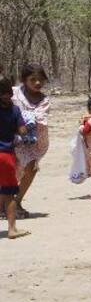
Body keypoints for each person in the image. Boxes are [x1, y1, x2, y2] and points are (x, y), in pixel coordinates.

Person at [12, 64, 50, 219]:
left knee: (31, 169)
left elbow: (38, 118)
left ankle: (16, 201)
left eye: (40, 80)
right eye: (32, 80)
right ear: (24, 80)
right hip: (12, 138)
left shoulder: (44, 100)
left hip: (33, 141)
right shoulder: (14, 93)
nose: (37, 83)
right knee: (12, 169)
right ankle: (7, 204)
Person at [1, 77, 30, 238]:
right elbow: (23, 131)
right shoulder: (14, 110)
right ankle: (12, 229)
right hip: (5, 156)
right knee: (9, 193)